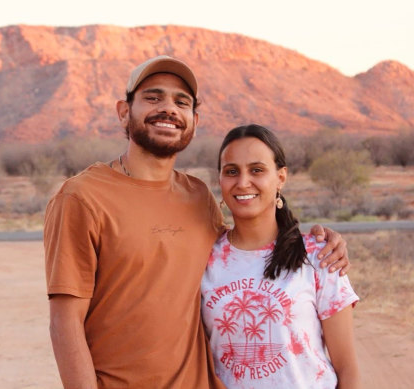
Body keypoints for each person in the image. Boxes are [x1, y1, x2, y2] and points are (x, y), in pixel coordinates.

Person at [44, 56, 350, 388]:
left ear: (194, 119)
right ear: (123, 112)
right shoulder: (82, 197)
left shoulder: (198, 197)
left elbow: (246, 245)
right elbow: (65, 322)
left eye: (181, 102)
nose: (168, 108)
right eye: (153, 97)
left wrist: (320, 239)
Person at [202, 124, 360, 388]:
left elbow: (347, 367)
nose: (242, 182)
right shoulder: (204, 257)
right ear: (220, 179)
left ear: (281, 178)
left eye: (257, 170)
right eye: (231, 171)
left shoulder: (318, 256)